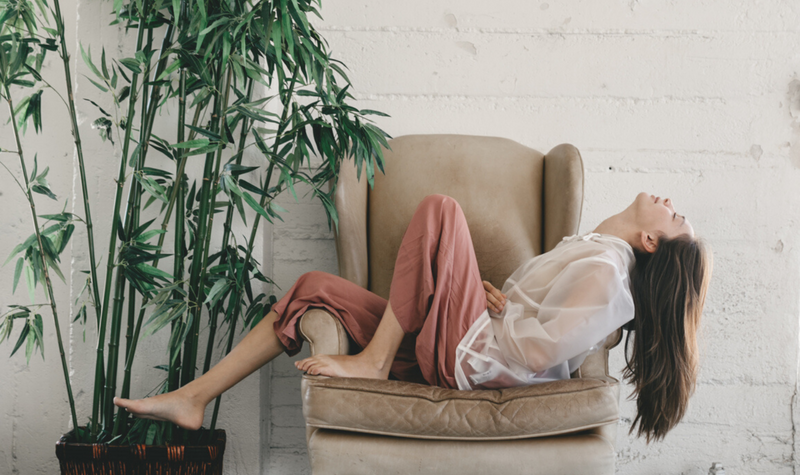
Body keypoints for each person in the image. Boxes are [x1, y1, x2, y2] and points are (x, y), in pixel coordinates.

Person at [115, 190, 711, 442]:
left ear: (652, 243)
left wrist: (486, 308)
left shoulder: (611, 270)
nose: (669, 203)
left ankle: (373, 363)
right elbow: (541, 325)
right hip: (466, 342)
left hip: (469, 358)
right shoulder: (596, 255)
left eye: (675, 215)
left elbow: (534, 354)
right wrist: (495, 297)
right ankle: (194, 398)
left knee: (440, 208)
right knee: (312, 285)